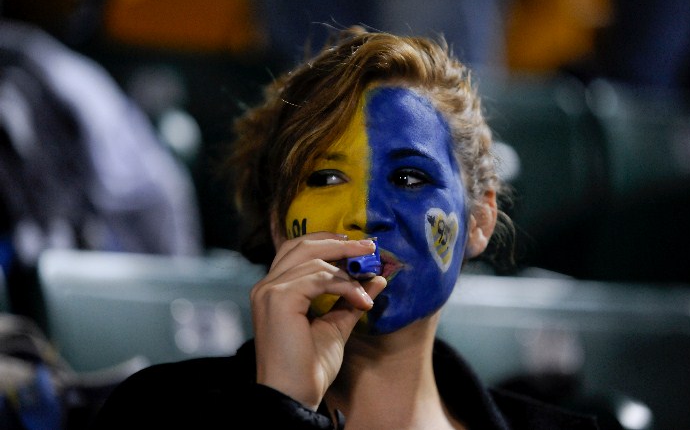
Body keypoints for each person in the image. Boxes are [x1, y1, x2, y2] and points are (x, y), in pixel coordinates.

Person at [90, 27, 598, 429]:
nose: (365, 213)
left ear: (479, 221)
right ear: (277, 222)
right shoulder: (158, 410)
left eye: (409, 176)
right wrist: (281, 408)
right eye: (326, 176)